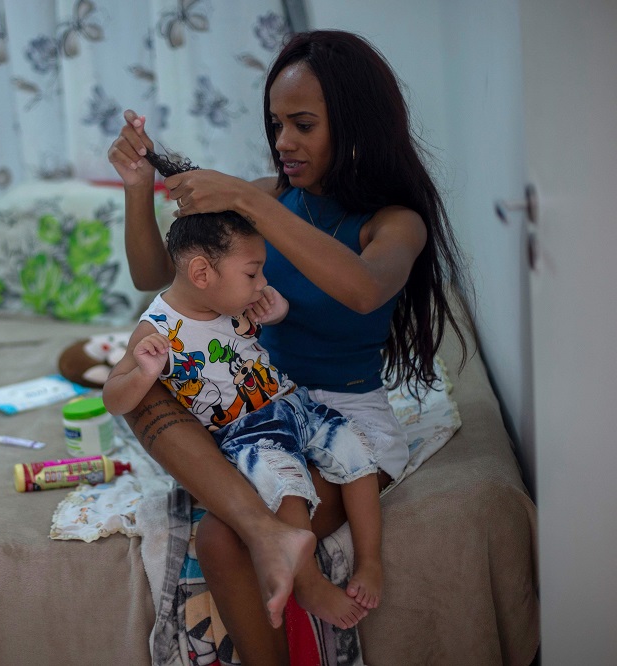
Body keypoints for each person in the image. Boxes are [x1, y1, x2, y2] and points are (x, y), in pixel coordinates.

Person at [106, 29, 471, 664]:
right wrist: (141, 188)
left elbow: (362, 289)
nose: (282, 143)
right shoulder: (272, 197)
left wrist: (248, 198)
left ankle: (259, 539)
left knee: (220, 543)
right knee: (140, 379)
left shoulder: (392, 223)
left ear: (356, 127)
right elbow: (151, 277)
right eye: (276, 124)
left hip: (339, 414)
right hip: (256, 405)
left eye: (302, 124)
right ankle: (262, 527)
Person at [102, 208, 384, 625]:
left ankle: (370, 561)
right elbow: (113, 397)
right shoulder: (158, 329)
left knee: (356, 450)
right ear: (201, 274)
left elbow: (261, 330)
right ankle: (307, 584)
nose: (262, 283)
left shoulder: (233, 300)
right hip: (248, 434)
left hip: (292, 403)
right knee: (289, 487)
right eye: (253, 274)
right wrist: (144, 373)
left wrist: (276, 312)